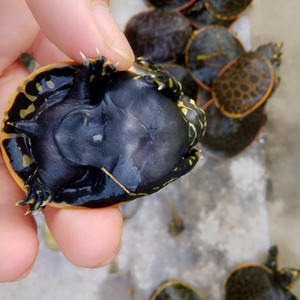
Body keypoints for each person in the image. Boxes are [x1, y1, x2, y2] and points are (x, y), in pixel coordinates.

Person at [0, 0, 134, 282]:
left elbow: (84, 85)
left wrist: (90, 71)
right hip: (52, 151)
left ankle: (43, 188)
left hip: (52, 135)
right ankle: (44, 189)